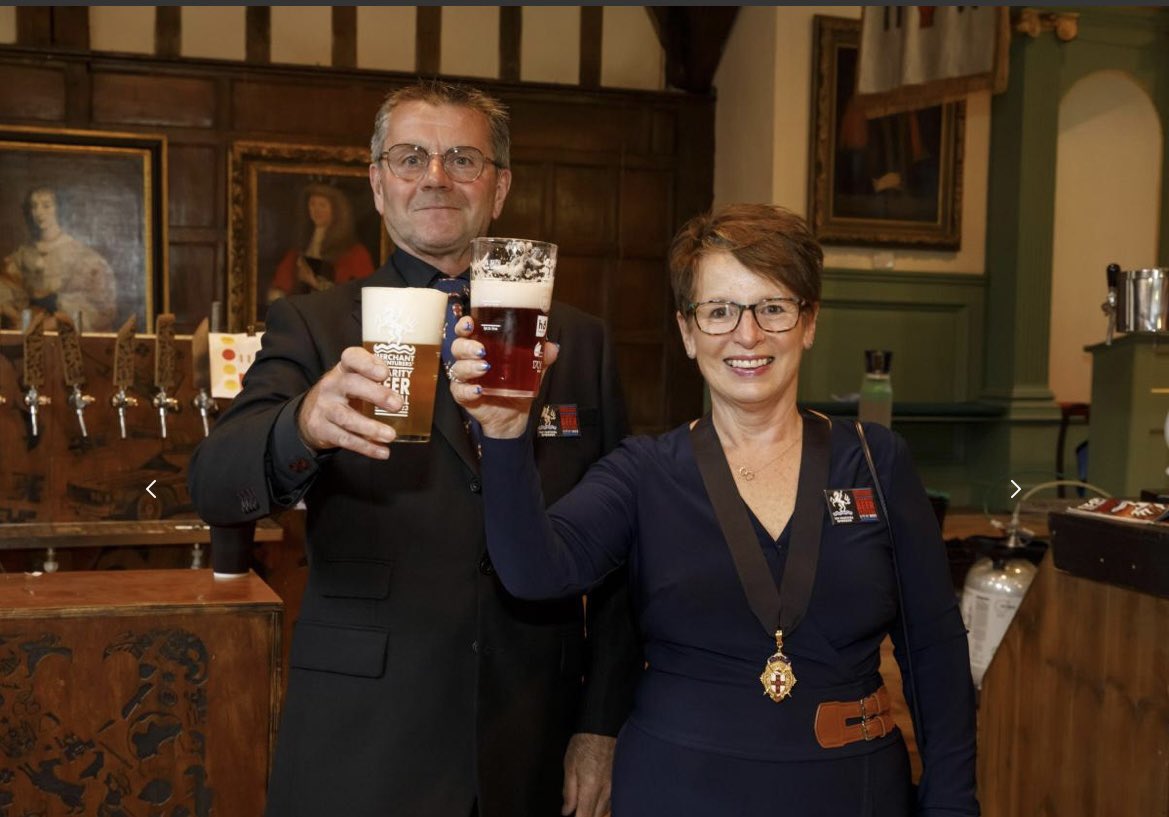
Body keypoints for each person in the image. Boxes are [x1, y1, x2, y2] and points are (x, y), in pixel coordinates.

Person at [188, 80, 639, 817]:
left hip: (534, 730)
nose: (435, 175)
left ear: (499, 187)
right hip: (364, 734)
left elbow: (623, 558)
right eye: (410, 157)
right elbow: (212, 483)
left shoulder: (578, 340)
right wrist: (301, 422)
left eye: (463, 158)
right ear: (376, 182)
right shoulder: (315, 323)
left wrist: (601, 724)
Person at [450, 204, 980, 816]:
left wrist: (952, 806)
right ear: (686, 331)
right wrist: (507, 434)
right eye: (719, 311)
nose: (746, 335)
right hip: (678, 790)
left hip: (850, 789)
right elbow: (534, 571)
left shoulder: (876, 462)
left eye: (773, 308)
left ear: (809, 322)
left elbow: (935, 655)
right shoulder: (643, 471)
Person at [3, 186, 117, 330]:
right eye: (34, 206)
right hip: (29, 327)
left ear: (59, 209)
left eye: (46, 206)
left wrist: (56, 317)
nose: (39, 213)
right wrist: (17, 315)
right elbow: (8, 289)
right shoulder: (23, 254)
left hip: (64, 330)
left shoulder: (80, 254)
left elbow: (98, 306)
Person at [267, 182, 375, 304]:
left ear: (335, 210)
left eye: (322, 205)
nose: (316, 210)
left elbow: (356, 298)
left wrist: (313, 282)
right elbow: (281, 283)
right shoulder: (299, 250)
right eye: (312, 204)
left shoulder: (355, 254)